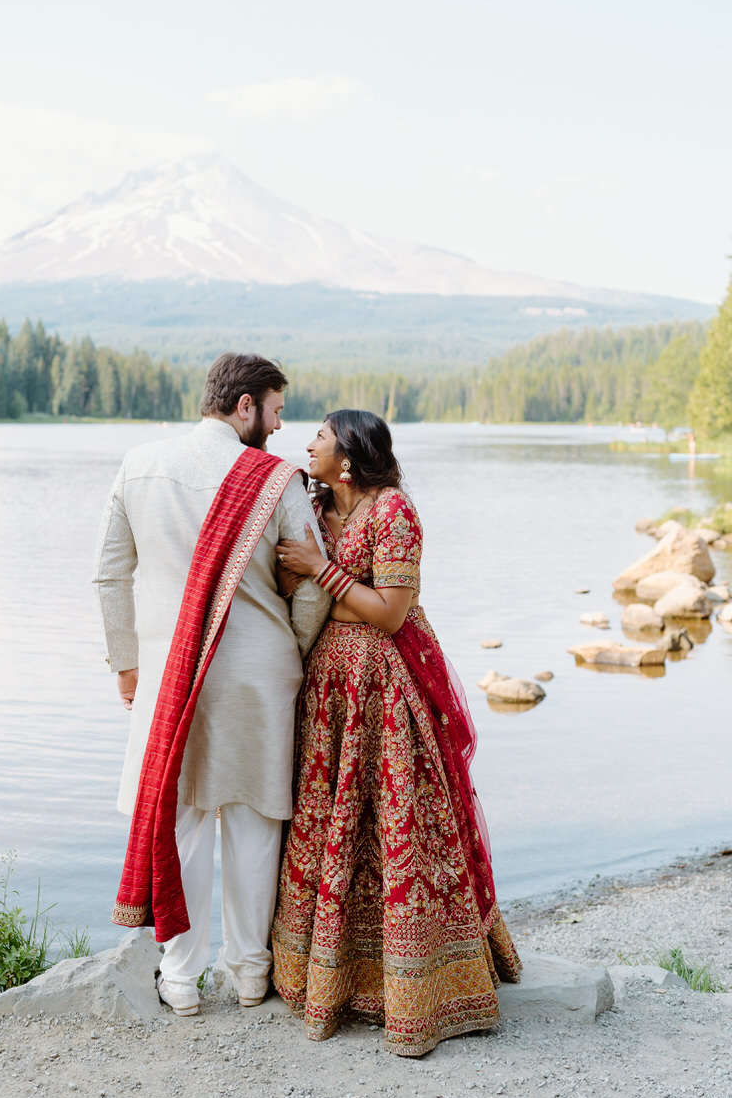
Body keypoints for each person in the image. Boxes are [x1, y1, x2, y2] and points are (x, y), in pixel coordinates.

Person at [271, 409, 521, 1057]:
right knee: (335, 829)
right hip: (334, 698)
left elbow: (389, 612)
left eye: (320, 437)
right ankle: (334, 978)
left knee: (397, 829)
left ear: (349, 455)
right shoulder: (327, 508)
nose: (308, 444)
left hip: (384, 690)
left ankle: (418, 989)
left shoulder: (393, 512)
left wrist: (319, 570)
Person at [92, 353, 330, 1018]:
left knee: (184, 822)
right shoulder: (277, 480)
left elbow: (109, 576)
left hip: (171, 674)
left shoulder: (138, 464)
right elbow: (310, 586)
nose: (281, 429)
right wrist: (292, 651)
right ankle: (250, 974)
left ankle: (180, 978)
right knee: (255, 822)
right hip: (257, 675)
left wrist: (127, 664)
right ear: (246, 406)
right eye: (277, 411)